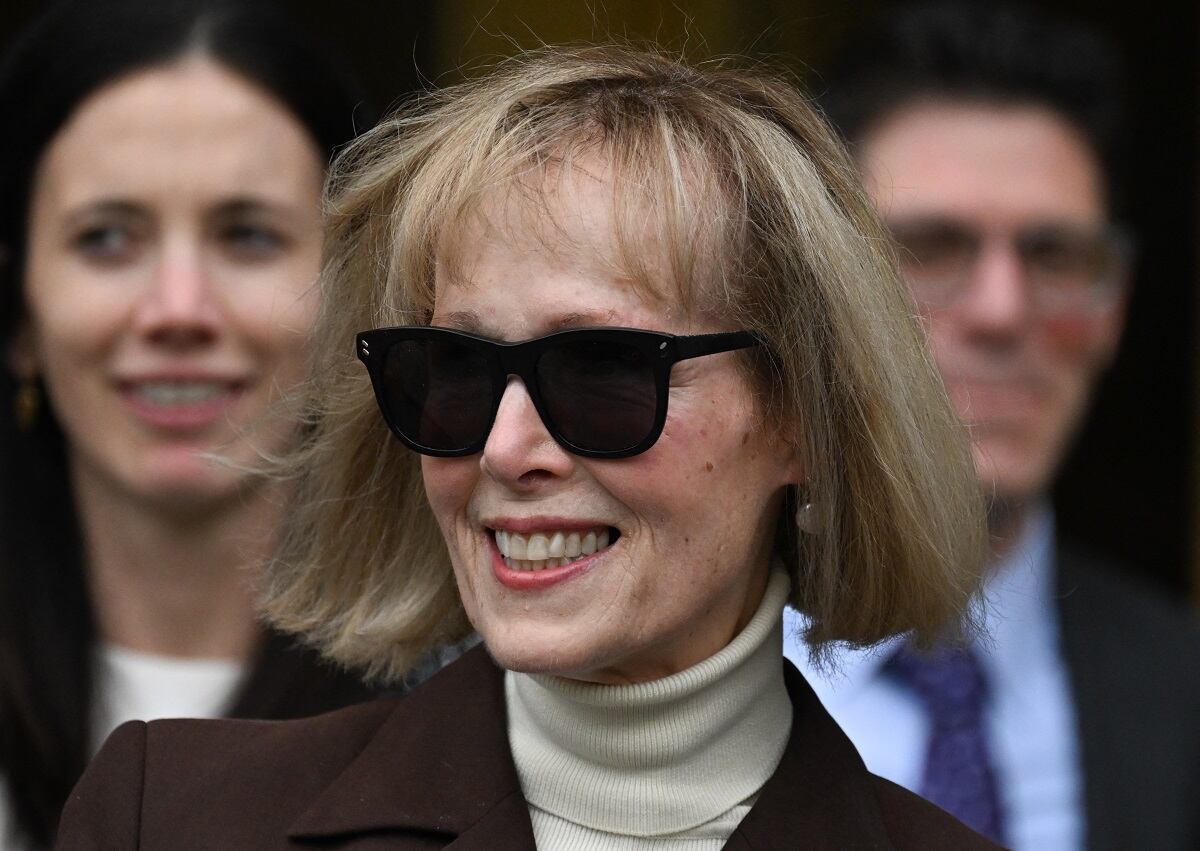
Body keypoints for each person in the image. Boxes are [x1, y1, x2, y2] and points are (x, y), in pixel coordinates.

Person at [57, 44, 1000, 849]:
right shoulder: (174, 815)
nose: (507, 449)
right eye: (456, 372)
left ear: (798, 413)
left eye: (601, 371)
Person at [783, 4, 1200, 850]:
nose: (1003, 311)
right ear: (824, 290)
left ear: (1115, 305)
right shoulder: (652, 673)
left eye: (1055, 256)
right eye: (932, 248)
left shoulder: (1181, 690)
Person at [0, 1, 389, 846]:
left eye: (247, 235)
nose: (179, 310)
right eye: (106, 238)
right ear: (20, 318)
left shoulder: (478, 718)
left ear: (348, 299)